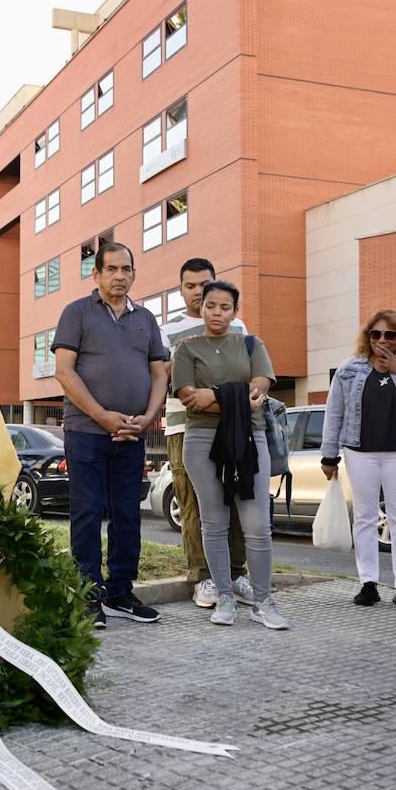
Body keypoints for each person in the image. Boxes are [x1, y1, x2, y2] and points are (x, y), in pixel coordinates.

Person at [51, 242, 166, 630]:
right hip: (86, 432)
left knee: (127, 514)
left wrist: (147, 418)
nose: (120, 276)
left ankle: (119, 593)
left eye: (126, 269)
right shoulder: (77, 313)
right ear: (96, 274)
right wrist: (104, 418)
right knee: (87, 513)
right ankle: (87, 595)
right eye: (112, 269)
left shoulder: (146, 319)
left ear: (134, 274)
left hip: (132, 434)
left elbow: (159, 374)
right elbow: (65, 373)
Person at [171, 280, 289, 629]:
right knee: (214, 522)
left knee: (257, 525)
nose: (217, 312)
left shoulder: (251, 344)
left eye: (225, 307)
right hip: (201, 440)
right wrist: (230, 396)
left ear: (235, 312)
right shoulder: (186, 348)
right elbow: (189, 397)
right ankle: (224, 597)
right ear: (201, 307)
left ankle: (263, 601)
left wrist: (214, 396)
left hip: (249, 438)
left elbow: (259, 390)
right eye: (211, 306)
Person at [320, 309, 396, 611]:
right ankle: (367, 582)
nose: (382, 340)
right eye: (375, 334)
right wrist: (329, 455)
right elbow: (335, 413)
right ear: (367, 336)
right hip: (360, 452)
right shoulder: (350, 368)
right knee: (365, 517)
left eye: (390, 335)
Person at [159, 257, 252, 610]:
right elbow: (166, 378)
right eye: (190, 286)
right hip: (184, 426)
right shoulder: (167, 331)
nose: (198, 292)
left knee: (235, 500)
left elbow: (243, 374)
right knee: (193, 503)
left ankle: (235, 572)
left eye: (204, 284)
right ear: (180, 289)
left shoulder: (237, 325)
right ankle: (203, 577)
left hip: (230, 424)